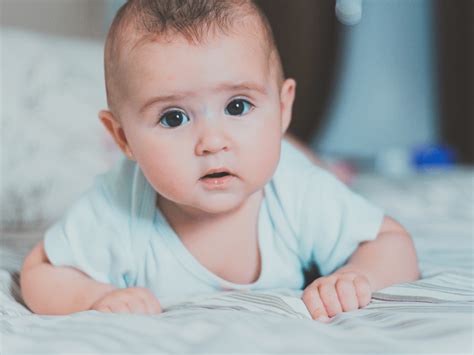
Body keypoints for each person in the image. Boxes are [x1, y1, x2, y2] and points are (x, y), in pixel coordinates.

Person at [20, 0, 419, 321]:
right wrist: (96, 297)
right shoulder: (118, 205)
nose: (212, 142)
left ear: (283, 108)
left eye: (238, 106)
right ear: (123, 138)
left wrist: (357, 276)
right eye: (173, 117)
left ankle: (322, 160)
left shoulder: (296, 191)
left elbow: (391, 241)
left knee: (316, 173)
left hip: (298, 168)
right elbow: (40, 273)